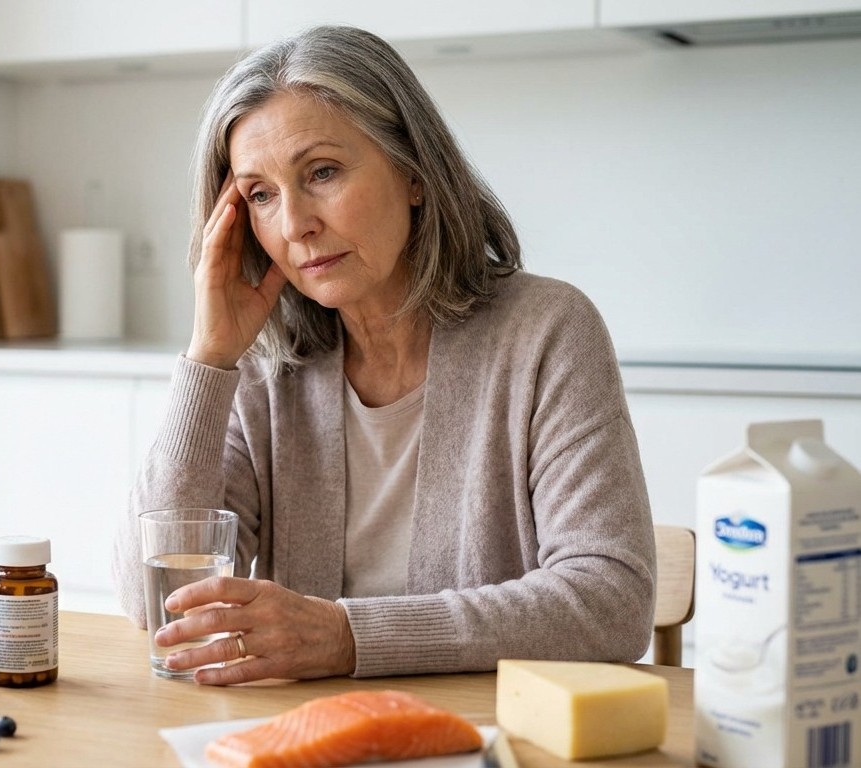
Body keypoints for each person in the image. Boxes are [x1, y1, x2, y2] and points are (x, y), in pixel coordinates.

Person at [111, 25, 655, 685]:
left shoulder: (544, 331)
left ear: (413, 174)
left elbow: (611, 601)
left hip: (486, 735)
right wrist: (208, 360)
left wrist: (349, 638)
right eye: (260, 195)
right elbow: (151, 603)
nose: (294, 225)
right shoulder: (260, 367)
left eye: (322, 172)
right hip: (300, 733)